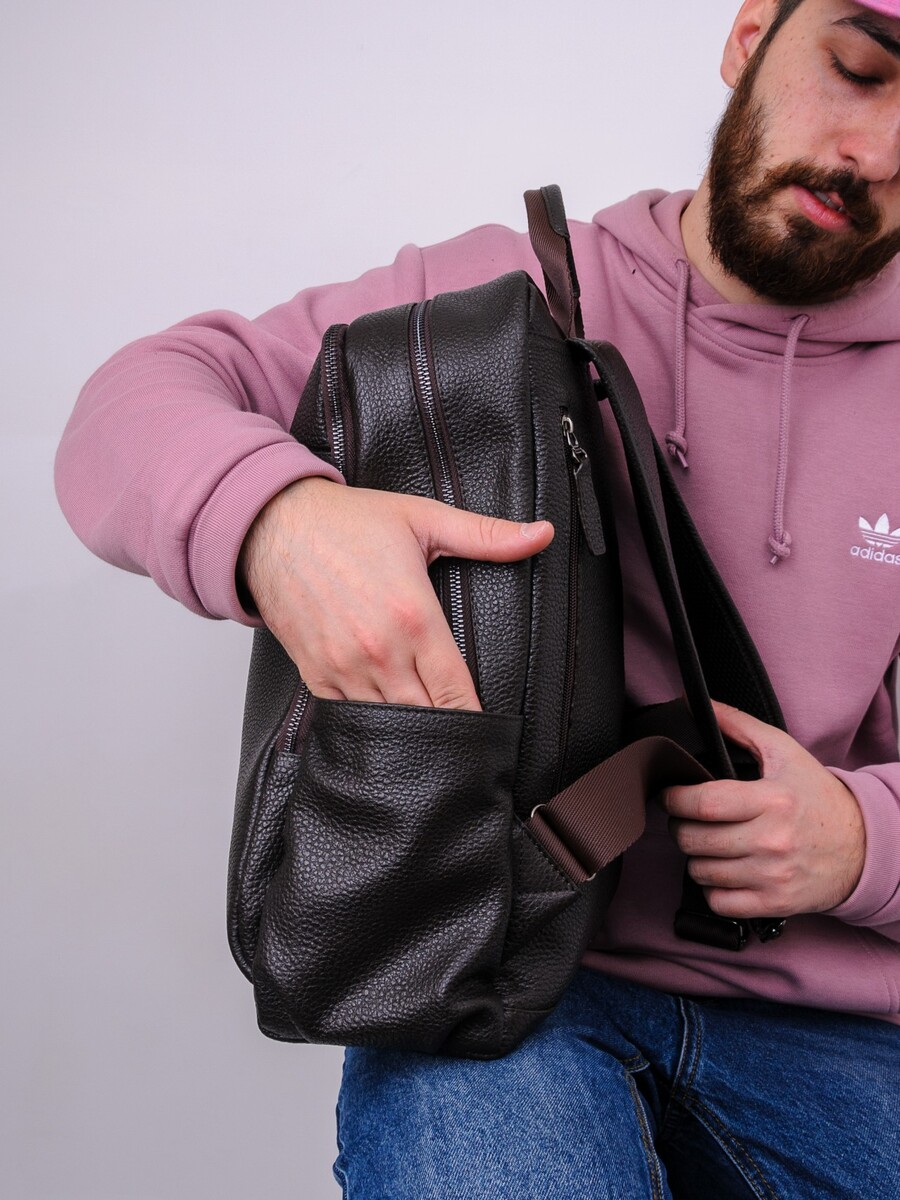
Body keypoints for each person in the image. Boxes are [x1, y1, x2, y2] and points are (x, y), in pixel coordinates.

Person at [56, 0, 900, 1195]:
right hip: (482, 967)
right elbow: (135, 398)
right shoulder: (515, 291)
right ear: (750, 36)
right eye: (859, 70)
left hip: (840, 1026)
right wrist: (278, 522)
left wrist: (862, 840)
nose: (876, 153)